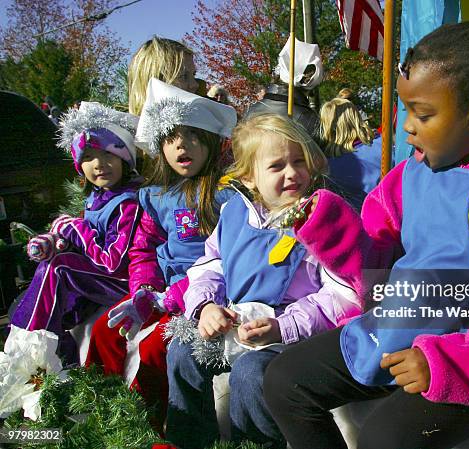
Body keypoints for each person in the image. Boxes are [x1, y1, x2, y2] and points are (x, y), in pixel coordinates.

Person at [263, 6, 469, 449]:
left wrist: (450, 363)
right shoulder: (412, 175)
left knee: (383, 438)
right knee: (286, 381)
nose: (406, 128)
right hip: (396, 330)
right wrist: (331, 229)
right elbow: (379, 266)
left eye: (422, 115)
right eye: (406, 110)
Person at [164, 113, 362, 449]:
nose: (291, 173)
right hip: (235, 322)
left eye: (299, 161)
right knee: (182, 351)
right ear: (250, 177)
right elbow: (211, 265)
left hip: (291, 334)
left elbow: (343, 294)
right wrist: (207, 305)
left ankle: (252, 444)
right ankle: (189, 439)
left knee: (252, 375)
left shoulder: (322, 217)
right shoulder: (235, 214)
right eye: (277, 166)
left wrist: (283, 326)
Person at [85, 78, 237, 428]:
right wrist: (144, 290)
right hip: (160, 292)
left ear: (212, 141)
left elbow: (226, 259)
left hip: (202, 296)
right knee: (106, 331)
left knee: (155, 347)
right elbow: (143, 248)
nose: (182, 146)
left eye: (193, 136)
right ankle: (105, 409)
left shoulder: (225, 193)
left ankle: (150, 423)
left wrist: (171, 297)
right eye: (170, 138)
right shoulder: (156, 196)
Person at [10, 102, 141, 363]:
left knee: (59, 266)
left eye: (109, 155)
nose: (99, 165)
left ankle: (33, 342)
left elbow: (113, 262)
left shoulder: (127, 202)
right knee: (54, 261)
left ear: (124, 159)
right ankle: (53, 341)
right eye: (89, 158)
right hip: (101, 276)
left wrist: (76, 229)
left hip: (123, 281)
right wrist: (62, 240)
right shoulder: (98, 197)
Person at [320, 98, 381, 208]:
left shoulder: (327, 167)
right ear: (356, 118)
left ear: (327, 126)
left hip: (357, 221)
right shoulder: (384, 145)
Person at [127, 36, 199, 116]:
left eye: (193, 74)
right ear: (152, 82)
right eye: (183, 76)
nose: (195, 85)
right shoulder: (119, 127)